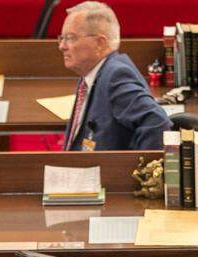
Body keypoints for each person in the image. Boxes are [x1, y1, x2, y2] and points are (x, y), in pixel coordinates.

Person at [58, 1, 170, 151]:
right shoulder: (92, 73)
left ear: (99, 43)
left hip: (104, 172)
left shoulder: (116, 75)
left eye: (71, 38)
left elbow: (156, 122)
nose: (62, 46)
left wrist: (139, 171)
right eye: (62, 38)